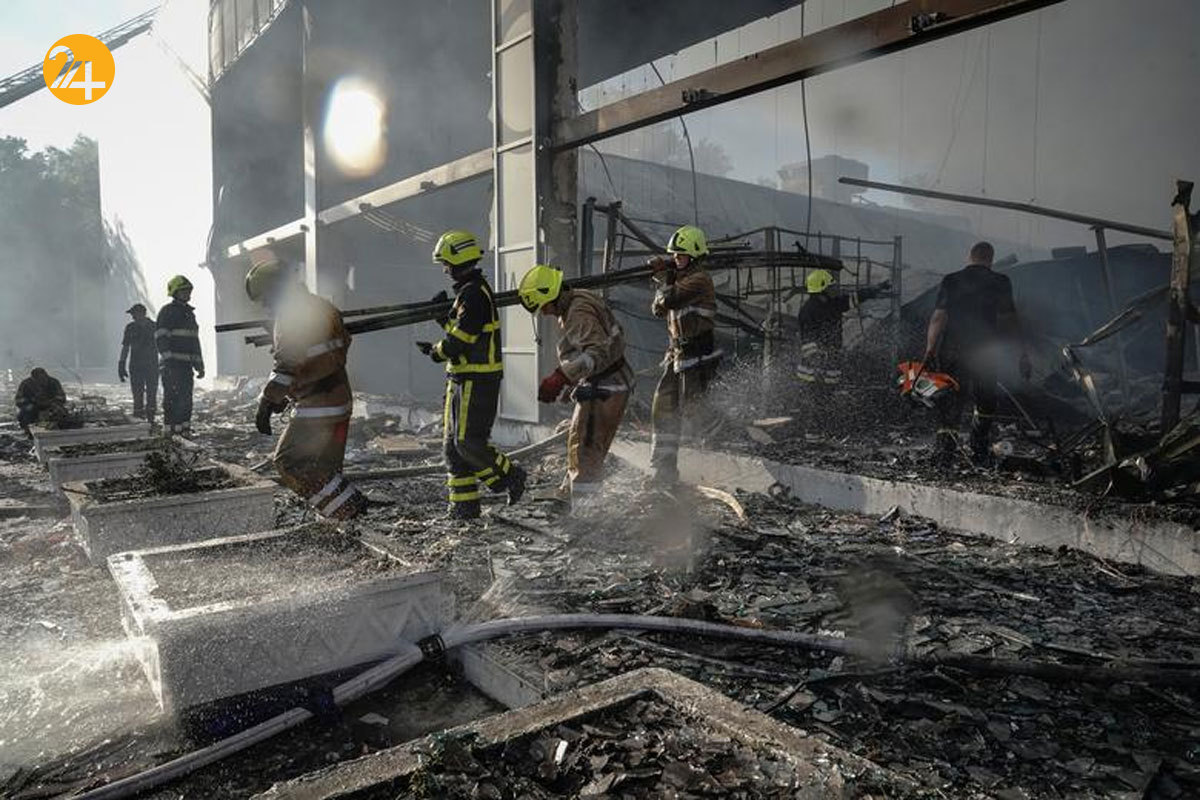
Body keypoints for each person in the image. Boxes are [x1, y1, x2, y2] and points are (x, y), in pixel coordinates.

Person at [245, 250, 368, 521]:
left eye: (265, 297)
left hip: (316, 405)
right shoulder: (322, 305)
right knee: (324, 469)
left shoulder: (291, 314)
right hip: (339, 398)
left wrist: (267, 402)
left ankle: (351, 508)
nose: (265, 305)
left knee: (290, 462)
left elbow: (286, 365)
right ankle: (342, 520)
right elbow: (329, 351)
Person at [416, 230, 526, 520]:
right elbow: (463, 333)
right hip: (461, 378)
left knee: (468, 443)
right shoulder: (468, 293)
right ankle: (464, 508)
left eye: (446, 263)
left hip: (476, 380)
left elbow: (460, 342)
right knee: (453, 449)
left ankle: (511, 476)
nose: (445, 269)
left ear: (457, 261)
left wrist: (435, 352)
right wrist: (443, 318)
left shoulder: (474, 294)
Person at [518, 264, 634, 510]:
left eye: (543, 306)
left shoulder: (578, 312)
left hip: (606, 386)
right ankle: (572, 495)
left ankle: (585, 511)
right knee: (578, 441)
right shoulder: (577, 299)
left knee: (586, 450)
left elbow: (597, 353)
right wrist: (573, 380)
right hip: (603, 382)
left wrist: (562, 376)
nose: (544, 313)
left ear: (551, 294)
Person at [923, 241, 1031, 463]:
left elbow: (938, 318)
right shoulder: (1000, 282)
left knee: (951, 401)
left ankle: (945, 453)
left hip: (953, 349)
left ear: (969, 257)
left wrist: (930, 349)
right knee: (985, 400)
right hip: (985, 351)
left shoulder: (951, 280)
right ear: (990, 259)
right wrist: (1022, 352)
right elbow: (1009, 320)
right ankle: (978, 448)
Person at [647, 224, 721, 487]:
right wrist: (667, 277)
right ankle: (664, 469)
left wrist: (663, 276)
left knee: (694, 410)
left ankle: (726, 434)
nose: (676, 258)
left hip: (697, 353)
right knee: (663, 408)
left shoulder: (700, 280)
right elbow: (657, 309)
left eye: (681, 254)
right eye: (674, 255)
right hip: (677, 352)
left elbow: (669, 300)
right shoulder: (677, 279)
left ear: (695, 255)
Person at [796, 269, 890, 386]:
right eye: (830, 286)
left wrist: (877, 288)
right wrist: (817, 362)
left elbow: (856, 297)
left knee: (829, 393)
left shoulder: (832, 304)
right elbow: (808, 339)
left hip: (829, 368)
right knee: (815, 395)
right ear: (822, 289)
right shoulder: (808, 311)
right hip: (811, 375)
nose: (834, 289)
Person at [156, 275, 204, 436]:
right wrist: (168, 358)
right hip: (171, 365)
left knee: (186, 399)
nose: (187, 294)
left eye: (188, 291)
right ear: (175, 293)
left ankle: (184, 429)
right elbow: (160, 337)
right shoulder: (167, 312)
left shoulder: (189, 314)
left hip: (185, 366)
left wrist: (199, 365)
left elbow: (194, 341)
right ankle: (170, 430)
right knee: (172, 398)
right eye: (184, 291)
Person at [118, 303, 158, 424]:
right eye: (132, 315)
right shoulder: (130, 327)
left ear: (142, 313)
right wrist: (121, 364)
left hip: (152, 365)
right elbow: (126, 347)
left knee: (151, 393)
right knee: (137, 394)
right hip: (136, 366)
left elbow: (162, 345)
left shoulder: (154, 327)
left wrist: (164, 362)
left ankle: (151, 419)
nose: (133, 317)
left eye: (134, 314)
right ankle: (139, 419)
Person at [14, 367, 66, 436]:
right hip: (33, 405)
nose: (41, 381)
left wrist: (51, 402)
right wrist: (32, 401)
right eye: (38, 379)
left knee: (60, 412)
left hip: (51, 405)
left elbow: (62, 397)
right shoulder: (26, 384)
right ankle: (29, 432)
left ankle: (59, 432)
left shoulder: (54, 382)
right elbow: (18, 400)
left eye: (43, 379)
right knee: (26, 413)